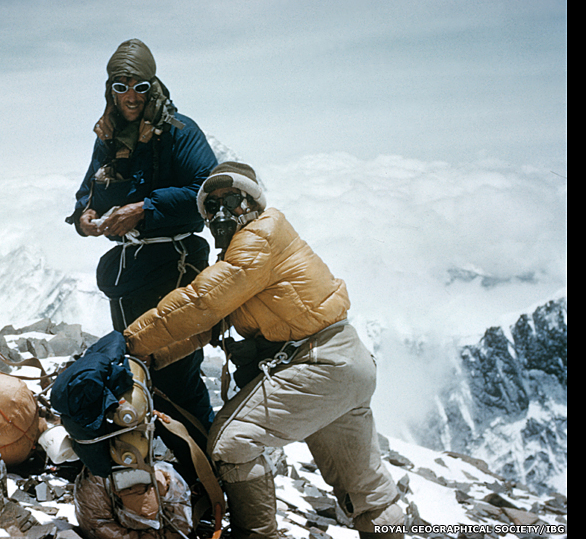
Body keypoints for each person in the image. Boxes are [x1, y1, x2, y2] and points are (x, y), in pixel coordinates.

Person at [124, 162, 405, 539]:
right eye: (213, 205)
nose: (222, 212)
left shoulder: (259, 239)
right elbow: (206, 326)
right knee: (367, 492)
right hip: (346, 365)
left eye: (233, 200)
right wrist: (149, 356)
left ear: (254, 203)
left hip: (318, 363)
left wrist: (127, 342)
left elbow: (200, 303)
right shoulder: (249, 253)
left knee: (231, 443)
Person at [65, 39, 218, 481]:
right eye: (121, 85)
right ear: (110, 89)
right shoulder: (108, 135)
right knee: (135, 367)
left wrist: (145, 209)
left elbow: (205, 192)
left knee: (176, 375)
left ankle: (209, 482)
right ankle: (166, 479)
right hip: (131, 273)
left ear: (153, 87)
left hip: (175, 266)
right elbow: (87, 194)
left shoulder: (180, 132)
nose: (131, 95)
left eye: (140, 85)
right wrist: (86, 218)